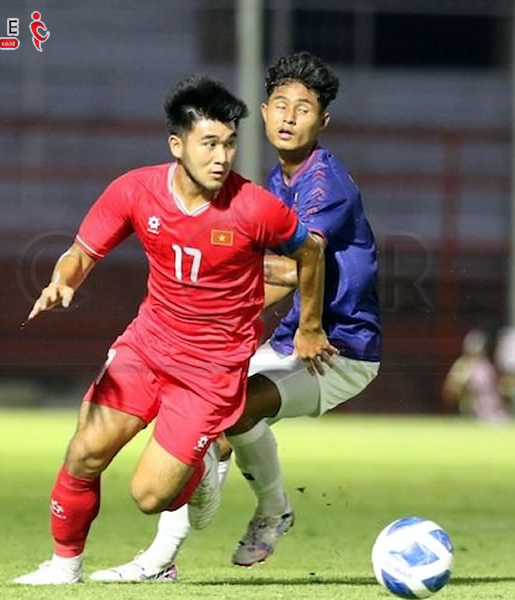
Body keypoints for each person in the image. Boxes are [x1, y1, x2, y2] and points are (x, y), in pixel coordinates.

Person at [14, 75, 335, 585]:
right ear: (177, 144)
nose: (221, 156)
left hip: (210, 371)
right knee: (85, 450)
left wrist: (310, 326)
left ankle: (199, 465)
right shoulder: (136, 190)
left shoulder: (254, 207)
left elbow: (310, 253)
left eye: (230, 143)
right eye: (209, 143)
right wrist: (62, 280)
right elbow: (83, 252)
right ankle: (63, 565)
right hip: (148, 346)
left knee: (149, 498)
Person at [91, 51, 382, 582]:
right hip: (295, 340)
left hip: (342, 348)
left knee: (224, 413)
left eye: (305, 108)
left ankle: (175, 553)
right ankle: (266, 509)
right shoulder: (277, 179)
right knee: (217, 413)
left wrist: (304, 325)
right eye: (280, 105)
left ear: (323, 121)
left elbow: (299, 265)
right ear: (266, 111)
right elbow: (264, 276)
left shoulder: (324, 186)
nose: (290, 117)